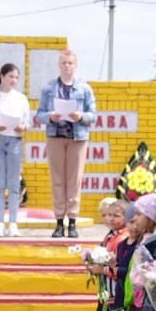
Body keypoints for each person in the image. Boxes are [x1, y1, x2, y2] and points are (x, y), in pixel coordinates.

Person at [36, 48, 96, 237]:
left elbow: (92, 115)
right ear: (59, 65)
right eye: (64, 62)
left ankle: (72, 222)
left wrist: (80, 115)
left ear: (75, 65)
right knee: (57, 180)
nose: (67, 66)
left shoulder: (84, 88)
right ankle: (59, 222)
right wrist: (50, 116)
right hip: (55, 136)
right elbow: (39, 115)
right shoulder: (49, 88)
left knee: (74, 180)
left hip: (77, 137)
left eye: (70, 63)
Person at [0, 62, 31, 236]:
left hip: (15, 140)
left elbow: (27, 122)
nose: (14, 80)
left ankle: (13, 223)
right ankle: (0, 223)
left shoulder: (21, 98)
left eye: (16, 77)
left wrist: (23, 127)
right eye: (11, 76)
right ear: (2, 76)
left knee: (14, 184)